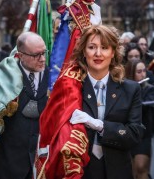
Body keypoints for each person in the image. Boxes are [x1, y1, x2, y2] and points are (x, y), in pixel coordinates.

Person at [36, 25, 144, 179]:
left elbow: (135, 134)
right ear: (84, 52)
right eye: (92, 47)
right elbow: (54, 132)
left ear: (113, 52)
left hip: (117, 171)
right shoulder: (70, 88)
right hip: (80, 171)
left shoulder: (130, 89)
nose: (98, 53)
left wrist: (99, 125)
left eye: (104, 47)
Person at [0, 31, 49, 179]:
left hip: (43, 159)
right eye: (36, 55)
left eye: (44, 52)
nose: (42, 59)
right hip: (11, 160)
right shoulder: (5, 78)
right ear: (20, 55)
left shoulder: (53, 76)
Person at [125, 59, 154, 179]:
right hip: (126, 133)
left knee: (141, 167)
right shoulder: (123, 87)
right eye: (139, 72)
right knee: (130, 171)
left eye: (144, 71)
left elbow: (146, 105)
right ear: (131, 73)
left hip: (143, 133)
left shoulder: (149, 89)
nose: (143, 74)